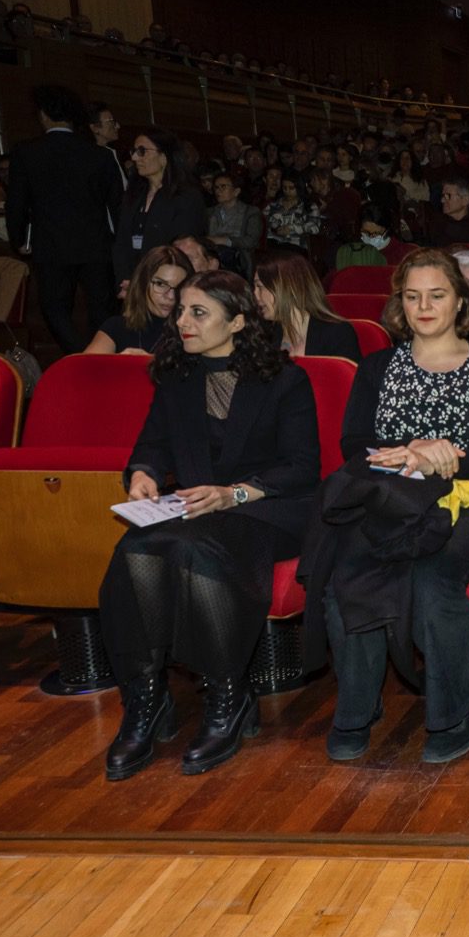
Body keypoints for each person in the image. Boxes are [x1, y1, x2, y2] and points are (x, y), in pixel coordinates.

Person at [305, 249, 469, 764]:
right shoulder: (377, 366)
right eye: (412, 296)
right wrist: (412, 455)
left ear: (461, 301)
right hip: (391, 501)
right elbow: (353, 442)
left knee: (432, 576)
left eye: (437, 295)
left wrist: (442, 458)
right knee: (348, 572)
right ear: (399, 305)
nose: (424, 306)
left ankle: (458, 710)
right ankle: (357, 708)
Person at [99, 270, 320, 780]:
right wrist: (143, 475)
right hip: (195, 508)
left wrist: (232, 494)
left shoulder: (285, 379)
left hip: (267, 507)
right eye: (181, 312)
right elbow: (153, 444)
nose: (182, 322)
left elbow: (302, 467)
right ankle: (145, 698)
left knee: (197, 550)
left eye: (198, 313)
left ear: (237, 321)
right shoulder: (177, 375)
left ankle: (228, 694)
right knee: (135, 549)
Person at [2, 85, 123, 353]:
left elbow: (17, 202)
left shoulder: (27, 152)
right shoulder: (100, 155)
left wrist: (19, 239)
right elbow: (116, 206)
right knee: (102, 311)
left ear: (44, 115)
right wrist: (116, 244)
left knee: (55, 310)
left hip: (51, 244)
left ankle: (77, 355)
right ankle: (99, 360)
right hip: (96, 245)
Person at [113, 126, 205, 287]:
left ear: (164, 156)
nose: (135, 157)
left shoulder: (187, 197)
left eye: (142, 151)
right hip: (133, 283)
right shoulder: (134, 195)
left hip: (168, 284)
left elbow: (181, 248)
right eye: (134, 151)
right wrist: (125, 279)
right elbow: (121, 242)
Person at [252, 249, 360, 360]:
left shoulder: (337, 335)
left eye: (260, 287)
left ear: (289, 288)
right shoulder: (265, 334)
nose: (255, 294)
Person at [84, 245, 191, 355]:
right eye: (160, 284)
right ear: (142, 283)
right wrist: (117, 364)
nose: (171, 296)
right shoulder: (116, 327)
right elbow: (83, 368)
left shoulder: (192, 331)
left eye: (179, 288)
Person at [206, 171, 262, 262]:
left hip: (240, 259)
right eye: (216, 187)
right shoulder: (209, 212)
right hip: (213, 255)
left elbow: (251, 241)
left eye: (223, 186)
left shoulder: (251, 212)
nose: (218, 191)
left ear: (236, 191)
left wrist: (224, 240)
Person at [262, 172, 320, 253]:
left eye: (291, 188)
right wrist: (275, 226)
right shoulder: (274, 205)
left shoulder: (309, 206)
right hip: (273, 244)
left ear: (299, 187)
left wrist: (292, 229)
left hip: (295, 246)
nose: (287, 191)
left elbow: (314, 227)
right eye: (284, 187)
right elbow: (262, 221)